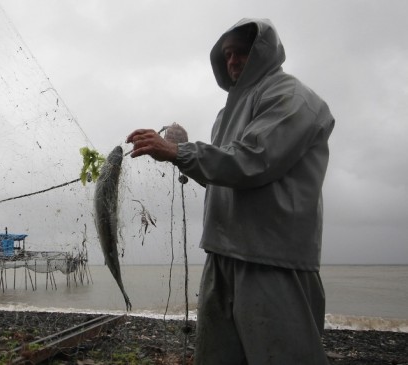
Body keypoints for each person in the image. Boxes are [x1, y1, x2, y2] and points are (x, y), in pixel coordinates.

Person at [126, 18, 335, 364]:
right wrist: (181, 153)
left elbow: (253, 160)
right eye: (227, 55)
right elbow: (224, 178)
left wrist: (180, 152)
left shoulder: (294, 98)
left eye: (242, 51)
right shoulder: (225, 115)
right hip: (221, 255)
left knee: (283, 355)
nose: (234, 60)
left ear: (264, 51)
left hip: (271, 260)